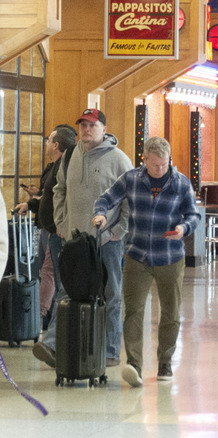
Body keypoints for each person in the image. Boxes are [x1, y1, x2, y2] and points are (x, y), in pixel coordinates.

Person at [92, 136, 201, 386]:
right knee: (133, 311)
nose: (160, 169)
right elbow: (106, 198)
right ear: (145, 160)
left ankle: (165, 362)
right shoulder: (131, 179)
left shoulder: (181, 183)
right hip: (137, 255)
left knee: (171, 312)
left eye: (164, 164)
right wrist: (99, 213)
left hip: (170, 256)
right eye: (155, 165)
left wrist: (184, 228)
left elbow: (194, 214)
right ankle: (134, 364)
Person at [33, 109, 132, 369]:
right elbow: (59, 189)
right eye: (83, 125)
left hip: (107, 242)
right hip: (74, 241)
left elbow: (130, 202)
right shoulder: (69, 157)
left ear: (103, 129)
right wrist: (63, 223)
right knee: (66, 291)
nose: (86, 129)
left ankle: (110, 351)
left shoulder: (120, 160)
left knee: (111, 294)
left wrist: (116, 232)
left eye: (92, 125)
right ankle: (53, 345)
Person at [15, 125, 75, 328]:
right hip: (47, 227)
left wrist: (60, 223)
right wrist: (31, 203)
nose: (46, 144)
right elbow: (48, 197)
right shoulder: (54, 166)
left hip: (57, 230)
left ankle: (40, 318)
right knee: (46, 271)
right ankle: (44, 318)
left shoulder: (65, 167)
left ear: (56, 144)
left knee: (51, 273)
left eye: (49, 140)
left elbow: (63, 200)